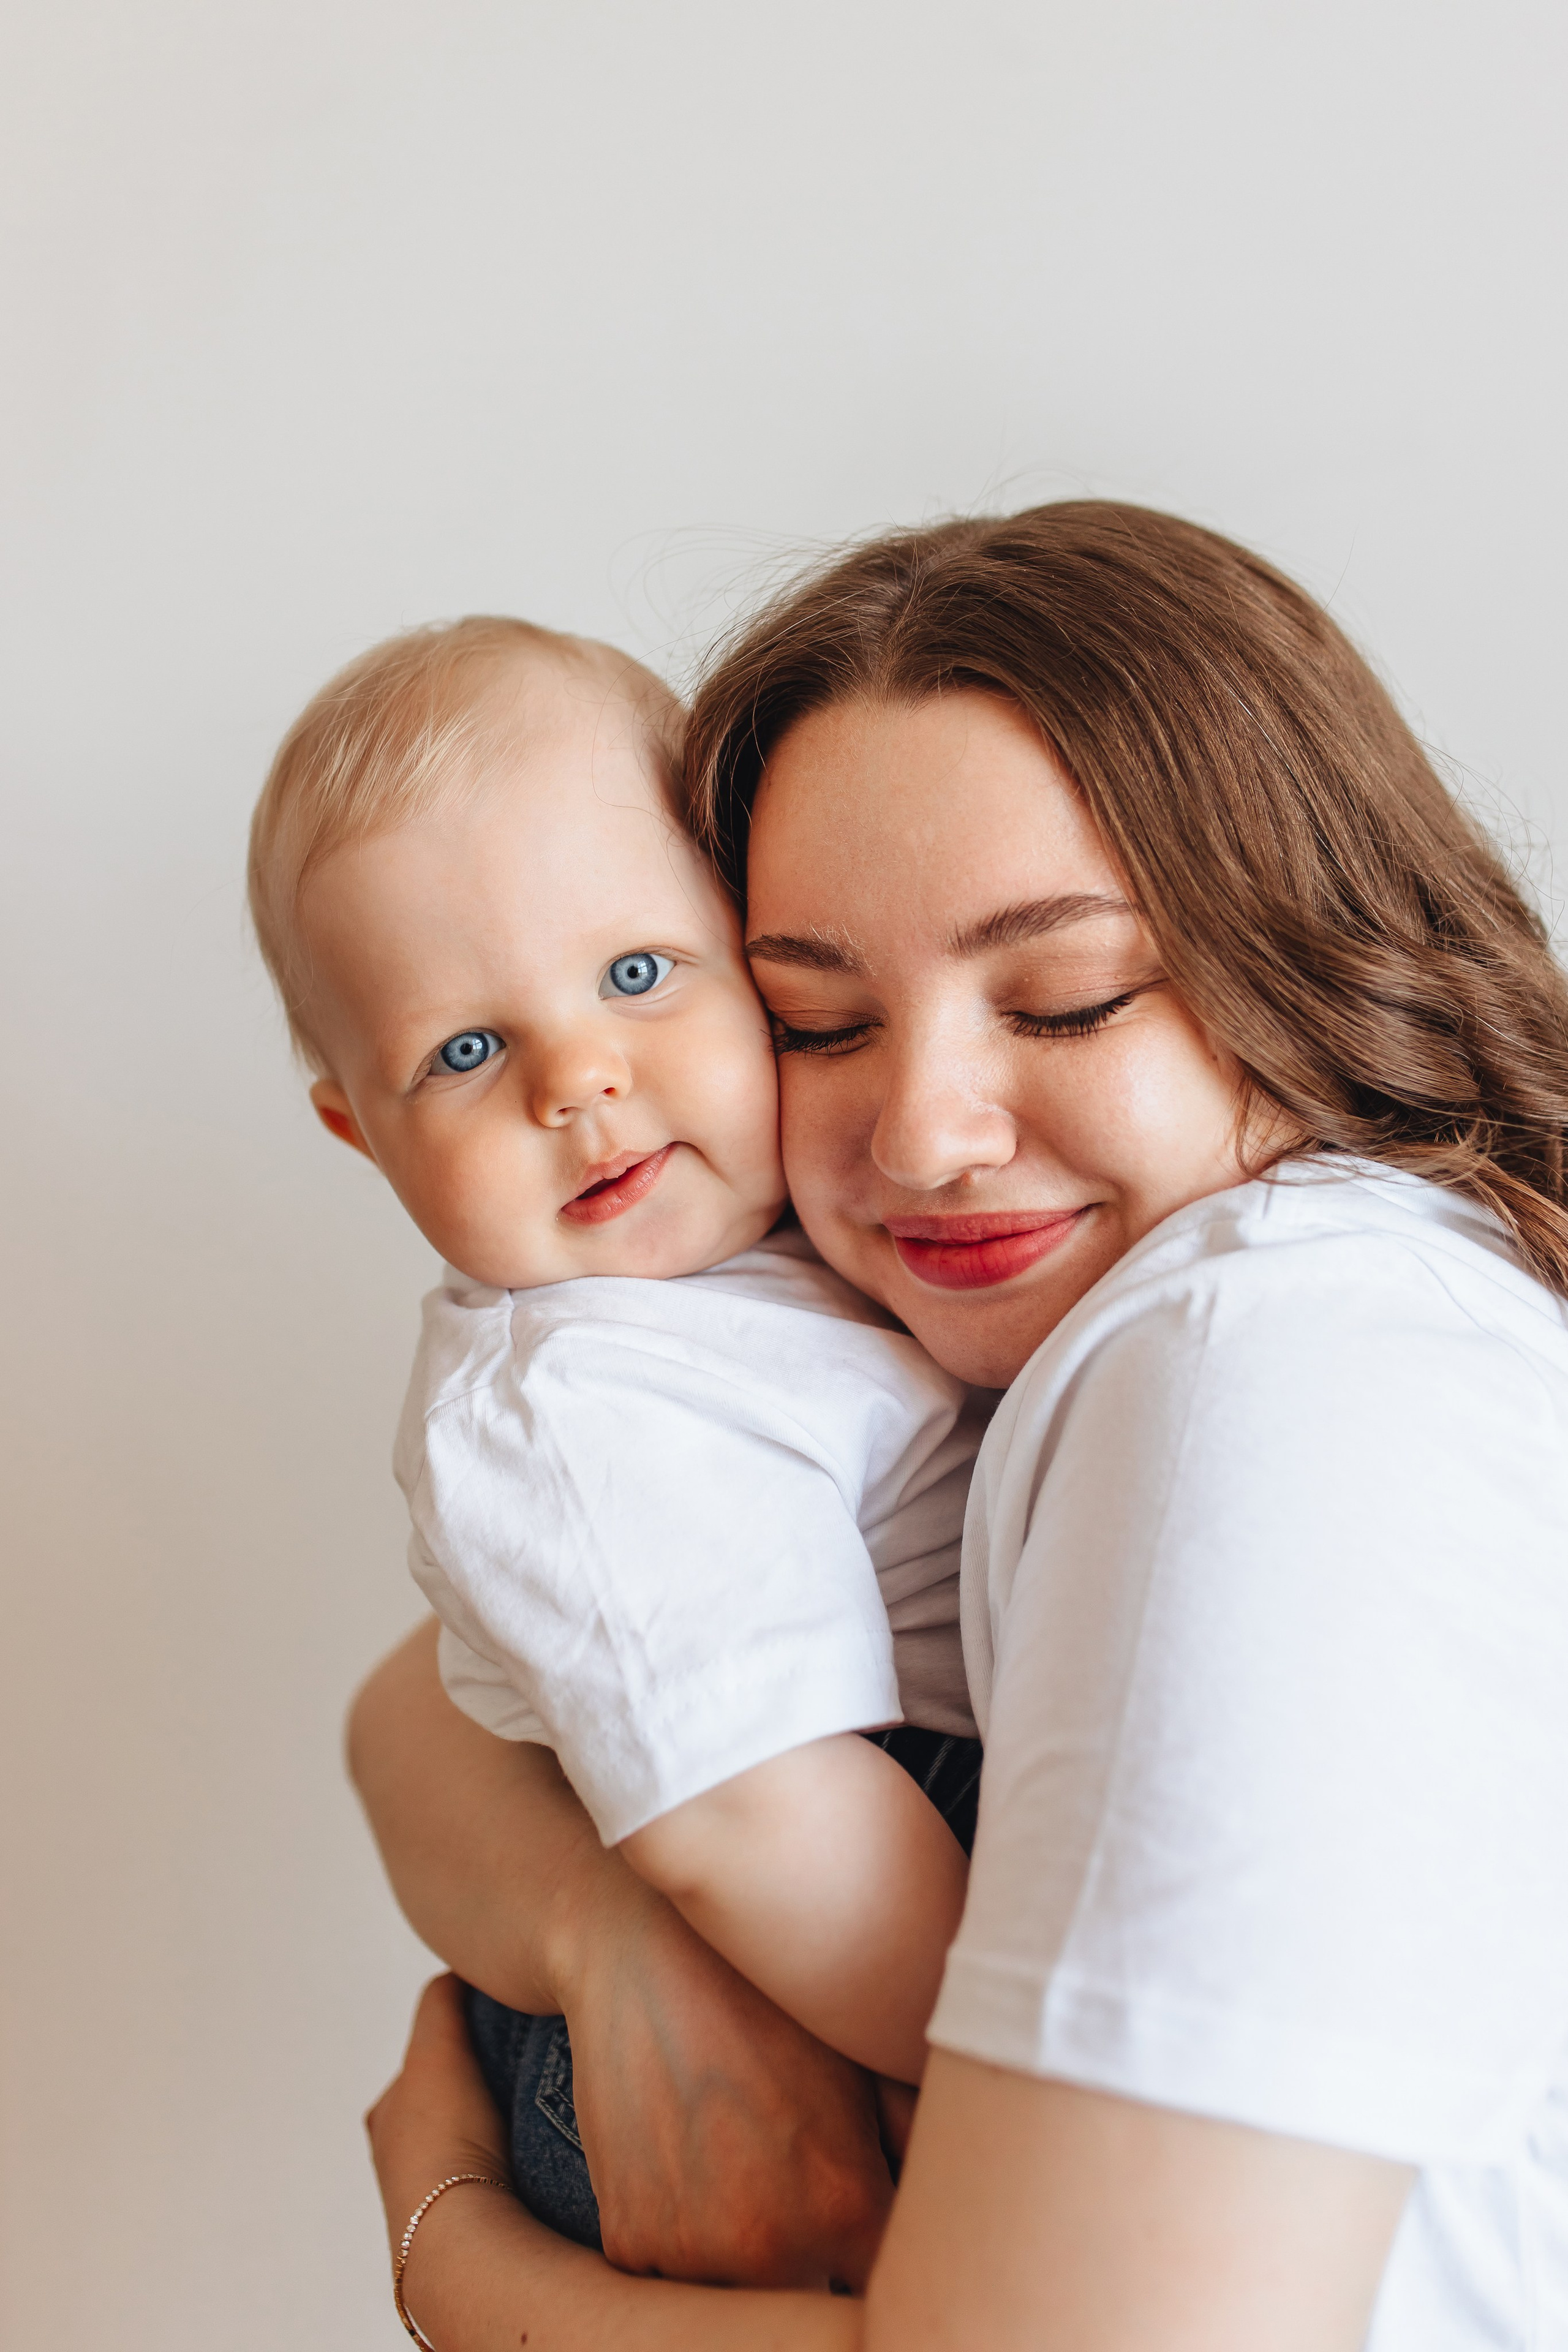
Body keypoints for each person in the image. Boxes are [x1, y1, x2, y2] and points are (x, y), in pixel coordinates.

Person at [353, 503, 1568, 2350]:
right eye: (816, 1023)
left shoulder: (1260, 1348)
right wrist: (618, 1939)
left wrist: (474, 2281)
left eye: (1065, 1000)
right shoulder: (964, 1338)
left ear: (1302, 956)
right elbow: (409, 1711)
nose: (923, 1134)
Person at [247, 617, 986, 2246]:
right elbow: (748, 1819)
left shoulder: (766, 1265)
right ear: (359, 1136)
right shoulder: (580, 1405)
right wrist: (1025, 2081)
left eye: (636, 975)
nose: (580, 1080)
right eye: (464, 1050)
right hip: (813, 1946)